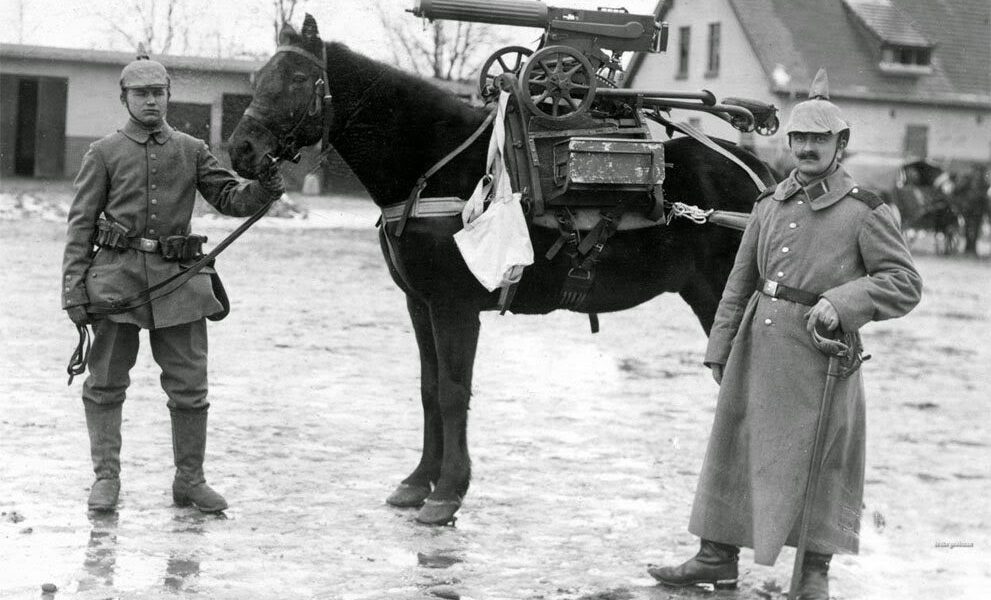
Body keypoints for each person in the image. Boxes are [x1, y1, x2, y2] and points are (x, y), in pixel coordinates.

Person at [647, 68, 923, 599]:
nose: (807, 148)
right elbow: (739, 282)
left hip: (822, 357)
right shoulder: (768, 204)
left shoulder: (865, 209)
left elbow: (904, 282)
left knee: (824, 464)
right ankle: (715, 558)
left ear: (840, 143)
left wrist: (842, 303)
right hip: (759, 344)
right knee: (733, 447)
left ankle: (815, 571)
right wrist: (720, 346)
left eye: (820, 139)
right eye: (799, 138)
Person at [62, 50, 285, 513]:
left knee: (190, 387)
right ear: (124, 98)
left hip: (179, 284)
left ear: (168, 95)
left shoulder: (191, 149)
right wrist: (73, 290)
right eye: (141, 93)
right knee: (105, 383)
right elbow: (80, 225)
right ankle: (106, 479)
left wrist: (263, 187)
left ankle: (190, 480)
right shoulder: (103, 153)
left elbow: (230, 197)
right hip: (117, 283)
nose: (151, 101)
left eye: (158, 92)